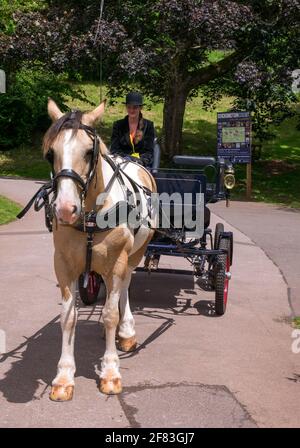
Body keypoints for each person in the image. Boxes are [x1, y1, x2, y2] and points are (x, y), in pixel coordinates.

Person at [110, 91, 155, 167]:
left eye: (135, 107)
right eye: (129, 107)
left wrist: (139, 161)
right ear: (126, 107)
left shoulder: (148, 125)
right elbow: (114, 150)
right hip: (122, 164)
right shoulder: (118, 125)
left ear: (140, 108)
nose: (131, 110)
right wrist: (127, 159)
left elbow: (149, 152)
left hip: (142, 165)